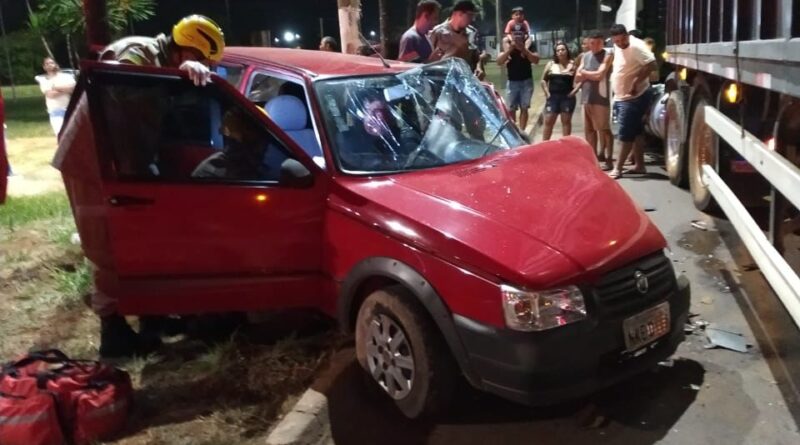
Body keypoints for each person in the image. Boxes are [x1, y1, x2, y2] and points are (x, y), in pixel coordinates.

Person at [94, 14, 226, 358]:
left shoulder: (163, 59)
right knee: (110, 248)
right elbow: (120, 87)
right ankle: (114, 334)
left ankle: (152, 320)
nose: (200, 66)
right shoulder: (136, 52)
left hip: (134, 161)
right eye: (200, 59)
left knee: (145, 244)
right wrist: (172, 78)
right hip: (102, 167)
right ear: (186, 49)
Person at [100, 14, 225, 87]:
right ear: (188, 53)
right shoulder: (141, 52)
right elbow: (120, 92)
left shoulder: (165, 65)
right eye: (204, 62)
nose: (206, 68)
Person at [607, 24, 657, 179]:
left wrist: (636, 82)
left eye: (622, 40)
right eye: (617, 42)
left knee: (625, 133)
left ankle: (618, 168)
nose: (620, 44)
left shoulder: (636, 46)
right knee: (636, 132)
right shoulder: (618, 47)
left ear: (627, 35)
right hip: (623, 95)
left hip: (633, 97)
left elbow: (652, 64)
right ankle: (640, 165)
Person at [575, 32, 614, 169]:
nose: (595, 46)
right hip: (586, 98)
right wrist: (587, 74)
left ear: (603, 43)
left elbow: (599, 75)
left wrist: (585, 73)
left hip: (601, 98)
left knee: (604, 129)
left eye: (598, 43)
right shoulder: (585, 56)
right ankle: (593, 160)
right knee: (589, 131)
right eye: (592, 43)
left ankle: (609, 159)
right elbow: (577, 77)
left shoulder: (608, 55)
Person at [496, 32, 539, 131]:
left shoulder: (529, 46)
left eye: (520, 35)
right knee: (511, 109)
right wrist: (510, 50)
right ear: (512, 36)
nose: (518, 38)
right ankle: (514, 132)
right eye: (515, 35)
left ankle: (522, 131)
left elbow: (536, 60)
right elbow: (499, 61)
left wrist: (524, 49)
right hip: (512, 82)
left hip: (526, 81)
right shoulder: (508, 46)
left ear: (524, 36)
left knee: (524, 108)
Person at [429, 1, 484, 78]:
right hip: (443, 79)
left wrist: (479, 68)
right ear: (459, 14)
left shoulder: (471, 32)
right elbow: (428, 59)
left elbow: (476, 56)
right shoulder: (438, 32)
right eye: (470, 16)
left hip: (466, 80)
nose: (472, 19)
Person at [541, 42, 577, 140]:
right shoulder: (551, 64)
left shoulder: (573, 64)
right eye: (558, 50)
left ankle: (566, 145)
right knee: (548, 120)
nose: (560, 52)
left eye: (563, 49)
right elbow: (543, 80)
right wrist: (546, 93)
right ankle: (545, 145)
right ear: (555, 53)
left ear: (567, 51)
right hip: (553, 97)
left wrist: (574, 92)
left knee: (566, 121)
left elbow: (580, 80)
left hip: (567, 98)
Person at [35, 57, 76, 136]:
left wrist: (56, 88)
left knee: (72, 135)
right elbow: (50, 94)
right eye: (47, 64)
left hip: (69, 109)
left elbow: (73, 89)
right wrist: (65, 89)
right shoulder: (44, 80)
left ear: (56, 64)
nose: (50, 65)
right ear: (44, 67)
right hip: (55, 111)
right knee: (60, 135)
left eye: (51, 63)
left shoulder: (66, 77)